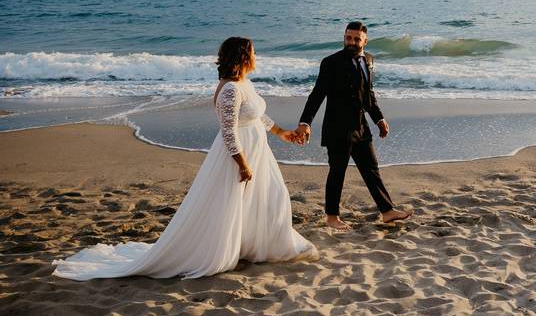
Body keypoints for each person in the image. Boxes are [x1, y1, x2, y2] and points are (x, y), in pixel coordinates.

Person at [53, 37, 316, 280]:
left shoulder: (244, 84)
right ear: (243, 57)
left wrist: (283, 133)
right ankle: (222, 253)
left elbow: (256, 115)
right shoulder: (230, 91)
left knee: (265, 198)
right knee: (230, 204)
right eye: (254, 52)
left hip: (257, 149)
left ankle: (249, 246)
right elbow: (228, 132)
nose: (257, 55)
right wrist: (242, 164)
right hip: (238, 154)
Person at [295, 21, 410, 229]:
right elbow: (317, 95)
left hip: (361, 126)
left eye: (356, 39)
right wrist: (305, 122)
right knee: (337, 171)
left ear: (365, 40)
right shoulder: (330, 62)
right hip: (338, 127)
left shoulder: (369, 60)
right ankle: (331, 217)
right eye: (348, 37)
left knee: (371, 168)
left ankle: (387, 211)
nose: (352, 42)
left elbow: (369, 95)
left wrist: (379, 119)